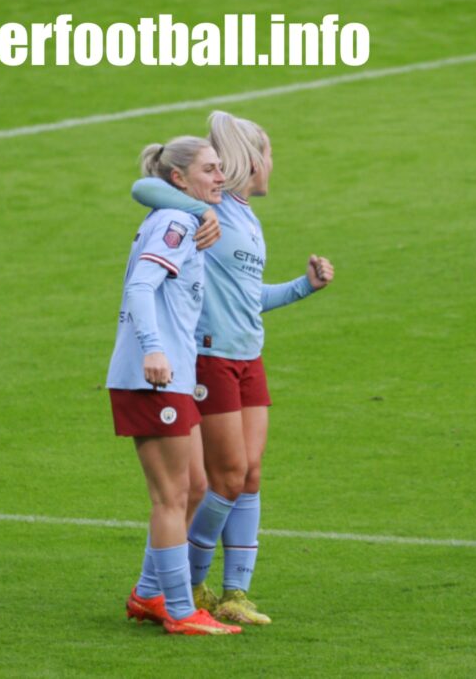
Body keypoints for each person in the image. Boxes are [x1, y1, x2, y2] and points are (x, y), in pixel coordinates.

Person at [131, 110, 335, 624]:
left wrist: (302, 288)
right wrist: (193, 206)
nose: (272, 165)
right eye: (267, 154)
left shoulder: (242, 216)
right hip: (210, 356)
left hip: (248, 355)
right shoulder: (207, 212)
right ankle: (189, 584)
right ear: (252, 159)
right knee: (223, 478)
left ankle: (235, 592)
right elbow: (144, 188)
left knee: (249, 474)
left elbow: (246, 298)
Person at [108, 135, 241, 635]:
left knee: (196, 487)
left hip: (175, 377)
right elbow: (141, 287)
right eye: (209, 169)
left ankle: (148, 594)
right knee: (171, 495)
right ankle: (181, 612)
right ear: (179, 178)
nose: (220, 177)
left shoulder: (187, 217)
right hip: (153, 377)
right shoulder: (175, 221)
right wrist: (153, 349)